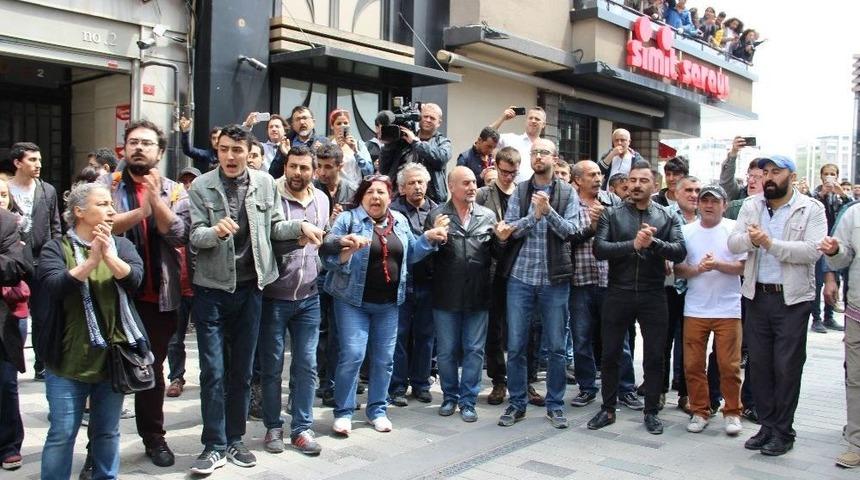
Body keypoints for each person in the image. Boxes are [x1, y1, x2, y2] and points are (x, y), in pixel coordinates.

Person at [186, 124, 325, 475]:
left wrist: (300, 229)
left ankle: (235, 440)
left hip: (251, 289)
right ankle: (213, 445)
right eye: (224, 150)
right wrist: (215, 232)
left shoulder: (264, 182)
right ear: (216, 151)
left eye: (238, 150)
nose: (231, 157)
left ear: (249, 152)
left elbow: (276, 227)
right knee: (213, 371)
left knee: (243, 372)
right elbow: (194, 236)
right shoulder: (202, 186)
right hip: (212, 291)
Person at [35, 182, 147, 480]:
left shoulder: (122, 245)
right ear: (79, 212)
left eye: (111, 205)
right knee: (62, 433)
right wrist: (91, 262)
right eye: (102, 204)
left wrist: (108, 256)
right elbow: (54, 286)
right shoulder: (55, 248)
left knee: (107, 432)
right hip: (67, 361)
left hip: (112, 361)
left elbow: (135, 279)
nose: (111, 210)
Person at [322, 175, 448, 436]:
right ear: (362, 196)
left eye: (381, 192)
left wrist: (429, 237)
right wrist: (348, 250)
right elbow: (328, 258)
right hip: (352, 301)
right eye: (370, 192)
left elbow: (411, 253)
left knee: (384, 360)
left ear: (390, 198)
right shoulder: (348, 220)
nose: (375, 197)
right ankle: (344, 412)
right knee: (353, 355)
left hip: (390, 304)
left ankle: (377, 410)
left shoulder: (399, 221)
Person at [101, 119, 190, 468]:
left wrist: (156, 199)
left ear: (160, 152)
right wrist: (142, 210)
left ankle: (154, 437)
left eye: (147, 143)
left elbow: (179, 233)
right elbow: (101, 226)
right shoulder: (106, 185)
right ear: (124, 147)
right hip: (113, 295)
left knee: (150, 371)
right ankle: (100, 447)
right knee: (107, 371)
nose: (139, 147)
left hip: (159, 297)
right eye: (133, 142)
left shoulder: (174, 189)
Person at [728, 155, 826, 456]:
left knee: (786, 366)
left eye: (776, 172)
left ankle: (784, 431)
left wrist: (770, 244)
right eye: (765, 172)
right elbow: (733, 244)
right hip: (757, 296)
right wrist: (752, 241)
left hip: (792, 299)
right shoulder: (752, 205)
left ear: (791, 177)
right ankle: (767, 426)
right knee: (759, 366)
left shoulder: (811, 208)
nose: (769, 177)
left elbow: (812, 251)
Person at [588, 160, 686, 435]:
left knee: (655, 355)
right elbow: (600, 249)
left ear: (655, 186)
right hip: (618, 290)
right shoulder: (612, 214)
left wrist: (653, 243)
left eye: (643, 181)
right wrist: (633, 245)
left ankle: (652, 410)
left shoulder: (667, 216)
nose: (636, 185)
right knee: (610, 353)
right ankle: (607, 408)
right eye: (632, 180)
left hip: (653, 292)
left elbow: (680, 251)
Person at [497, 138, 580, 429]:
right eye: (534, 152)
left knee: (556, 347)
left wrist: (549, 212)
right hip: (520, 278)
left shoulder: (567, 192)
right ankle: (516, 403)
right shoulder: (520, 190)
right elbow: (509, 230)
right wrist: (533, 217)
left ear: (554, 158)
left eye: (543, 152)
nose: (538, 156)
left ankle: (555, 405)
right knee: (517, 345)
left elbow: (572, 230)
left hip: (554, 280)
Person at [259, 145, 329, 456]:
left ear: (314, 170)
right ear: (285, 166)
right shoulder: (270, 194)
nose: (297, 173)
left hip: (309, 297)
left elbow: (322, 242)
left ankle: (302, 428)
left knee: (307, 365)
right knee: (272, 366)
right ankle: (273, 426)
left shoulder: (322, 199)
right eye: (293, 167)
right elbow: (269, 236)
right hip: (274, 296)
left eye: (304, 168)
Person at [430, 166, 513, 422]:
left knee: (475, 350)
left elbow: (499, 256)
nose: (472, 187)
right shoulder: (438, 215)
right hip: (446, 295)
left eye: (473, 183)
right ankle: (449, 397)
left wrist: (501, 240)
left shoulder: (487, 216)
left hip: (479, 294)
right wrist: (434, 237)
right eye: (465, 183)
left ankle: (468, 401)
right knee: (446, 351)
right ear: (452, 187)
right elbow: (427, 259)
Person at [567, 161, 640, 409]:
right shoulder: (569, 204)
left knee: (619, 339)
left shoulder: (613, 202)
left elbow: (626, 235)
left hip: (611, 280)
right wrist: (591, 228)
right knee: (582, 337)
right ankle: (587, 387)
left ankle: (625, 388)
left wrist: (606, 224)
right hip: (580, 280)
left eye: (599, 174)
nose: (598, 178)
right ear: (577, 180)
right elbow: (566, 238)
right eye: (591, 175)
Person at [674, 185, 746, 435]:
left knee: (729, 365)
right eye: (704, 200)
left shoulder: (734, 229)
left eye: (715, 201)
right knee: (693, 365)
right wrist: (698, 270)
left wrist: (717, 265)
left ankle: (733, 411)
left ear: (724, 205)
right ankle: (699, 410)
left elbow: (742, 268)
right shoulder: (686, 231)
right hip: (695, 307)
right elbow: (679, 269)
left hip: (728, 308)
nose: (709, 205)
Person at [7, 142, 62, 380]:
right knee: (13, 316)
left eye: (39, 160)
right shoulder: (5, 189)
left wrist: (55, 253)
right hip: (12, 262)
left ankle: (42, 363)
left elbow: (55, 225)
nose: (38, 165)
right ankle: (10, 361)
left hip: (41, 261)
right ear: (17, 163)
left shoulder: (47, 190)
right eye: (32, 160)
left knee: (44, 315)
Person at [388, 163, 438, 406]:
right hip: (402, 283)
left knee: (425, 335)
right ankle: (397, 386)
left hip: (429, 283)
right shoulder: (392, 212)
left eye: (421, 182)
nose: (417, 187)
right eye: (411, 183)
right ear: (401, 188)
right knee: (398, 336)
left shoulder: (438, 212)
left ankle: (421, 383)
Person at [476, 146, 521, 405]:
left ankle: (522, 381)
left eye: (512, 173)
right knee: (494, 328)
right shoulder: (484, 194)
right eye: (503, 172)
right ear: (496, 166)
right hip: (492, 268)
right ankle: (498, 381)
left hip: (518, 268)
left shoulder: (523, 192)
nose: (507, 178)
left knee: (520, 327)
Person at [822, 203, 860, 468]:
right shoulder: (854, 214)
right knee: (856, 379)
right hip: (858, 308)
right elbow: (842, 256)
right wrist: (835, 252)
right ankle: (856, 442)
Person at [0, 182, 32, 472]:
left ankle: (9, 444)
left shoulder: (7, 222)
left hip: (3, 319)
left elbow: (15, 267)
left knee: (6, 384)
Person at [166, 166, 202, 398]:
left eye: (193, 182)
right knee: (174, 337)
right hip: (176, 286)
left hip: (200, 286)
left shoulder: (203, 216)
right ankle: (176, 377)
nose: (188, 187)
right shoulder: (173, 216)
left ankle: (208, 376)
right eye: (184, 183)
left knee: (207, 337)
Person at [379, 103, 452, 203]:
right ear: (419, 118)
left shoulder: (443, 142)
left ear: (439, 122)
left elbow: (441, 158)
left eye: (432, 118)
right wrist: (388, 145)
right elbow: (384, 169)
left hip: (431, 200)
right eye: (425, 116)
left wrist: (415, 142)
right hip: (400, 199)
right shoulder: (403, 139)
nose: (428, 120)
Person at [811, 163, 850, 333]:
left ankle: (829, 316)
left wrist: (841, 194)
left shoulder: (839, 195)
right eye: (826, 173)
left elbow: (850, 208)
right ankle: (816, 318)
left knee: (835, 280)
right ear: (821, 176)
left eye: (832, 173)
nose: (829, 176)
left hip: (835, 244)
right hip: (818, 244)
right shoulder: (815, 194)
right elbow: (811, 207)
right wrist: (823, 194)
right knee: (818, 282)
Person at [489, 106, 547, 183]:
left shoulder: (546, 147)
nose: (533, 121)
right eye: (530, 118)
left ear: (543, 124)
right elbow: (487, 136)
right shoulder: (511, 139)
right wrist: (502, 118)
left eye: (537, 119)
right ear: (526, 121)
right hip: (510, 191)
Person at [268, 106, 329, 178]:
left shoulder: (324, 142)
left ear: (313, 122)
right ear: (293, 125)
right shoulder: (287, 143)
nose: (302, 122)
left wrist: (320, 155)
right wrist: (285, 155)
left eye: (305, 118)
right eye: (298, 119)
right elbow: (273, 173)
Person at [327, 109, 374, 188]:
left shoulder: (359, 144)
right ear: (332, 126)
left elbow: (369, 172)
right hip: (336, 189)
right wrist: (337, 149)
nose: (343, 126)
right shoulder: (328, 145)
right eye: (339, 123)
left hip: (356, 189)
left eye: (345, 123)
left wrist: (355, 151)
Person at [719, 137, 752, 202]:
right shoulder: (739, 194)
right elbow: (727, 181)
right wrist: (733, 153)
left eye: (757, 177)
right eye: (750, 175)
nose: (751, 180)